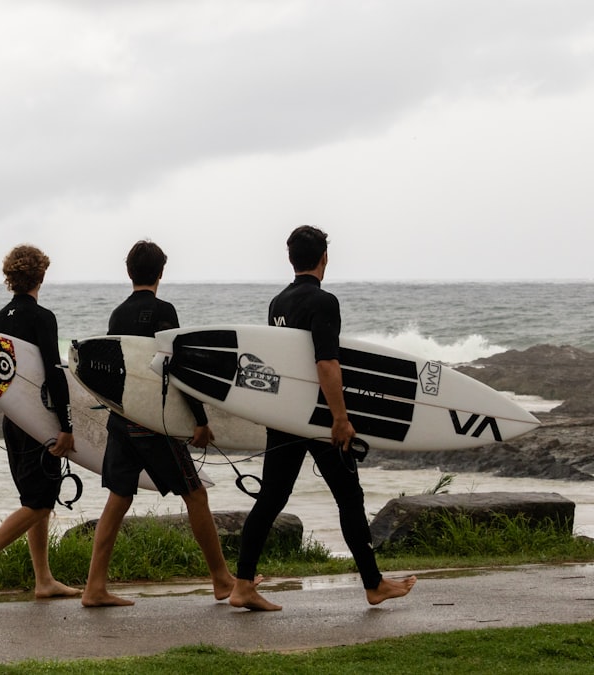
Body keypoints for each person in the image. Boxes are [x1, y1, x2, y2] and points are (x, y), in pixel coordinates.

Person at [228, 225, 417, 611]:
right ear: (324, 258)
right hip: (318, 419)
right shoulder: (324, 302)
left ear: (291, 258)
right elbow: (326, 363)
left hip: (286, 417)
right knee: (350, 497)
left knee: (271, 498)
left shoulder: (277, 303)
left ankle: (243, 584)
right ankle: (373, 584)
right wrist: (341, 418)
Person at [81, 240, 239, 607]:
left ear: (129, 272)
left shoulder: (117, 315)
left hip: (123, 419)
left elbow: (113, 370)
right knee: (195, 495)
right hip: (154, 424)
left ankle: (94, 587)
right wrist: (200, 421)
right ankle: (221, 579)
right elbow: (178, 366)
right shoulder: (165, 310)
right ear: (162, 272)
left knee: (117, 500)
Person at [0, 244, 81, 605]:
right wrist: (67, 425)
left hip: (13, 423)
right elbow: (54, 374)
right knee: (40, 503)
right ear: (41, 276)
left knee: (35, 499)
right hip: (39, 423)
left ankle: (43, 579)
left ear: (9, 278)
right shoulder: (43, 318)